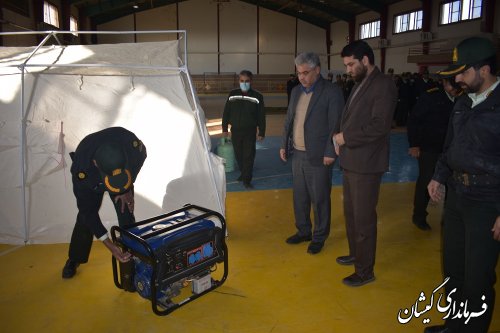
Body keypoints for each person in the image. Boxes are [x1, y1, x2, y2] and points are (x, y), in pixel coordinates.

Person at [426, 37, 500, 333]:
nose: (457, 79)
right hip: (457, 196)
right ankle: (455, 326)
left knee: (477, 278)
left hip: (488, 200)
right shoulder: (462, 102)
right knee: (453, 270)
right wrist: (438, 175)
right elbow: (451, 147)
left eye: (462, 72)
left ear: (484, 69)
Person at [332, 40, 397, 287]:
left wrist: (345, 137)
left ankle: (365, 270)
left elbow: (379, 125)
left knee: (363, 218)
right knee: (351, 214)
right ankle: (355, 254)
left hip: (367, 164)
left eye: (351, 64)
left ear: (365, 60)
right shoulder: (361, 84)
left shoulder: (383, 85)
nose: (348, 69)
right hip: (353, 160)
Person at [280, 52, 344, 255]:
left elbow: (336, 123)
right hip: (297, 153)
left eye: (306, 73)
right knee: (299, 197)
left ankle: (319, 236)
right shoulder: (297, 91)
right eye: (299, 73)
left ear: (317, 70)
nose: (301, 77)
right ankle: (304, 230)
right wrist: (284, 144)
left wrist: (330, 151)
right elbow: (289, 120)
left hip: (319, 155)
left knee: (320, 198)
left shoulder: (331, 91)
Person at [62, 127, 147, 278]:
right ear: (95, 163)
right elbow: (88, 212)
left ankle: (132, 259)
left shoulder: (131, 146)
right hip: (92, 179)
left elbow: (139, 159)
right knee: (85, 218)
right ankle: (75, 258)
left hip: (120, 170)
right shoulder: (82, 170)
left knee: (125, 211)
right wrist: (109, 244)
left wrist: (126, 188)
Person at [407, 77, 463, 230]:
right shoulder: (430, 96)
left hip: (452, 149)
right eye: (452, 86)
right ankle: (419, 216)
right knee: (425, 182)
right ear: (444, 83)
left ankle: (449, 218)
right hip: (429, 148)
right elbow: (414, 120)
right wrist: (414, 144)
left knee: (453, 184)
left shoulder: (463, 97)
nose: (455, 89)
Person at [222, 70, 266, 189]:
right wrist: (224, 128)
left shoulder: (258, 96)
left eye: (247, 81)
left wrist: (261, 131)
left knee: (248, 155)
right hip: (235, 130)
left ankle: (247, 179)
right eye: (242, 81)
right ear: (238, 81)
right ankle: (243, 172)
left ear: (251, 81)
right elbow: (226, 112)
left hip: (250, 131)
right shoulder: (232, 94)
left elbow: (261, 115)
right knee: (238, 154)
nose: (244, 83)